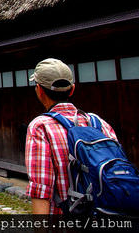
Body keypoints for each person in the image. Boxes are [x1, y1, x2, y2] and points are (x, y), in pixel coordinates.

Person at [25, 58, 118, 214]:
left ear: (39, 90)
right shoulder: (98, 123)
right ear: (72, 89)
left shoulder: (41, 127)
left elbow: (41, 189)